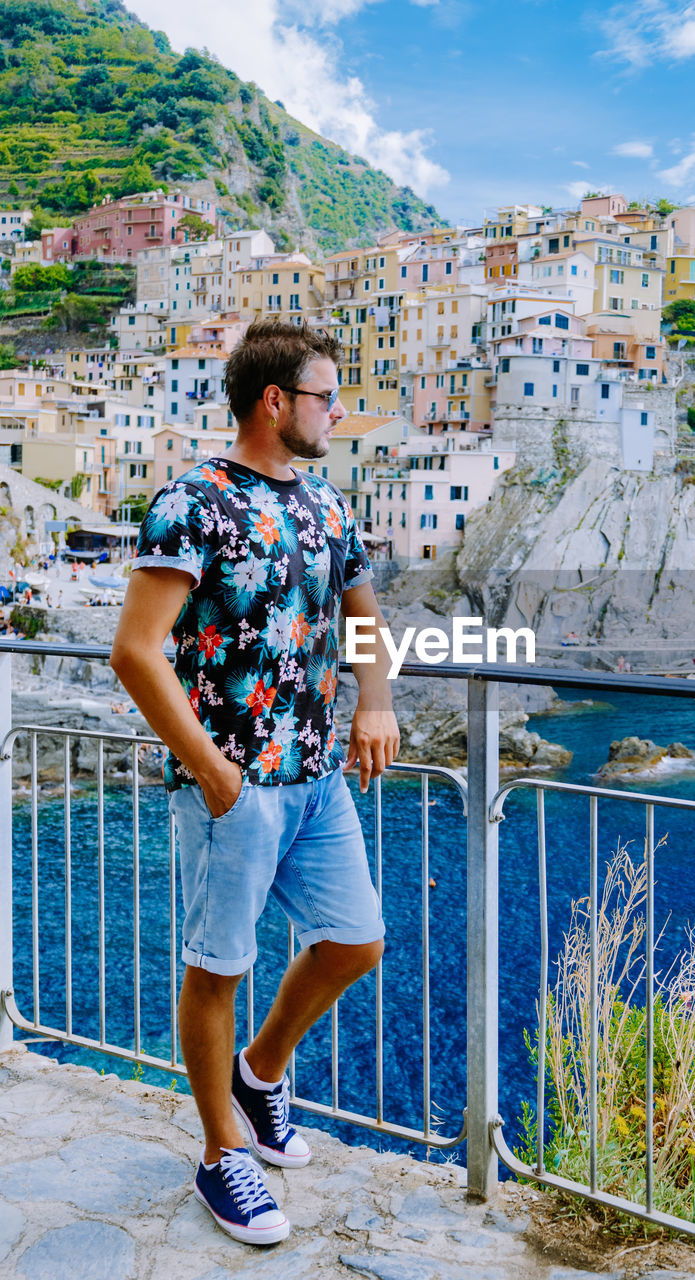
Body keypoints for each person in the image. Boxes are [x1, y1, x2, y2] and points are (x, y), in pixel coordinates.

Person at [110, 320, 399, 1247]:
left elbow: (363, 620)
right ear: (275, 402)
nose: (339, 411)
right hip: (230, 785)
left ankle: (260, 1073)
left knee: (355, 942)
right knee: (217, 966)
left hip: (317, 780)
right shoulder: (192, 501)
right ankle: (220, 1151)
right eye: (326, 396)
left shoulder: (327, 507)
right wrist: (212, 770)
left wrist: (376, 705)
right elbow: (135, 651)